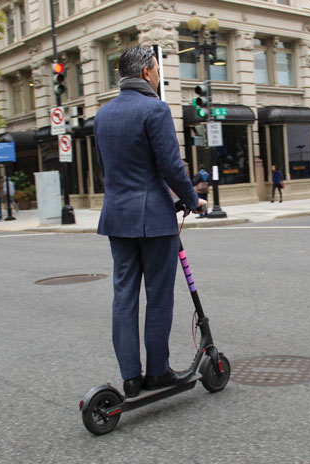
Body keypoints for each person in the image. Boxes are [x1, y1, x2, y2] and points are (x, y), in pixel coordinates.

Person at [93, 46, 208, 398]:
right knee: (158, 297)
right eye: (157, 70)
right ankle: (157, 371)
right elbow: (170, 166)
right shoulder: (155, 109)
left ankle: (131, 377)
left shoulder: (103, 115)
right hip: (155, 221)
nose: (159, 76)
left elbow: (111, 170)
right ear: (146, 73)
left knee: (123, 297)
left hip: (117, 217)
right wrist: (192, 200)